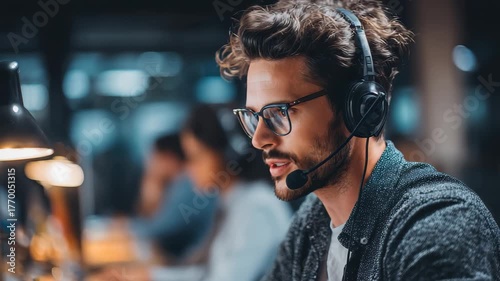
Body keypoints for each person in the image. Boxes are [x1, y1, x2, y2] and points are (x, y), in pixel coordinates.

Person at [215, 0, 500, 280]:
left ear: (361, 110)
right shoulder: (312, 222)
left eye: (279, 112)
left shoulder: (436, 223)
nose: (258, 139)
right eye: (253, 116)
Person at [130, 134, 217, 260]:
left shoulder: (187, 185)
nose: (149, 164)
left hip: (193, 266)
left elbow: (160, 229)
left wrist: (126, 226)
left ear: (169, 158)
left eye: (153, 157)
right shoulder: (176, 184)